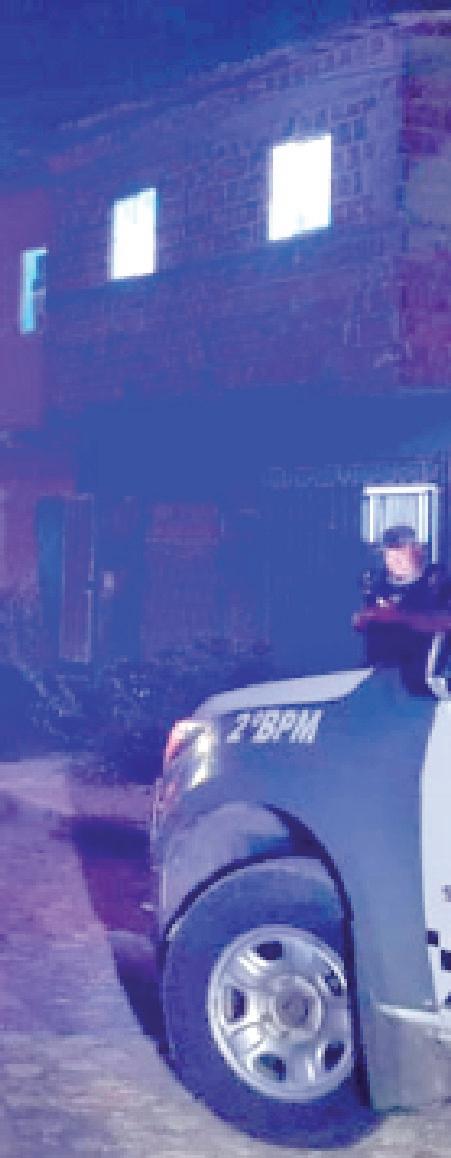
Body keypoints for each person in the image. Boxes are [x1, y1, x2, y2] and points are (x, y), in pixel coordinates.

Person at [355, 524, 451, 689]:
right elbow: (361, 622)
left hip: (427, 682)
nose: (395, 561)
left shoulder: (438, 581)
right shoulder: (374, 583)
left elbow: (446, 622)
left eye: (401, 553)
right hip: (379, 680)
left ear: (418, 551)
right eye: (389, 555)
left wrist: (399, 616)